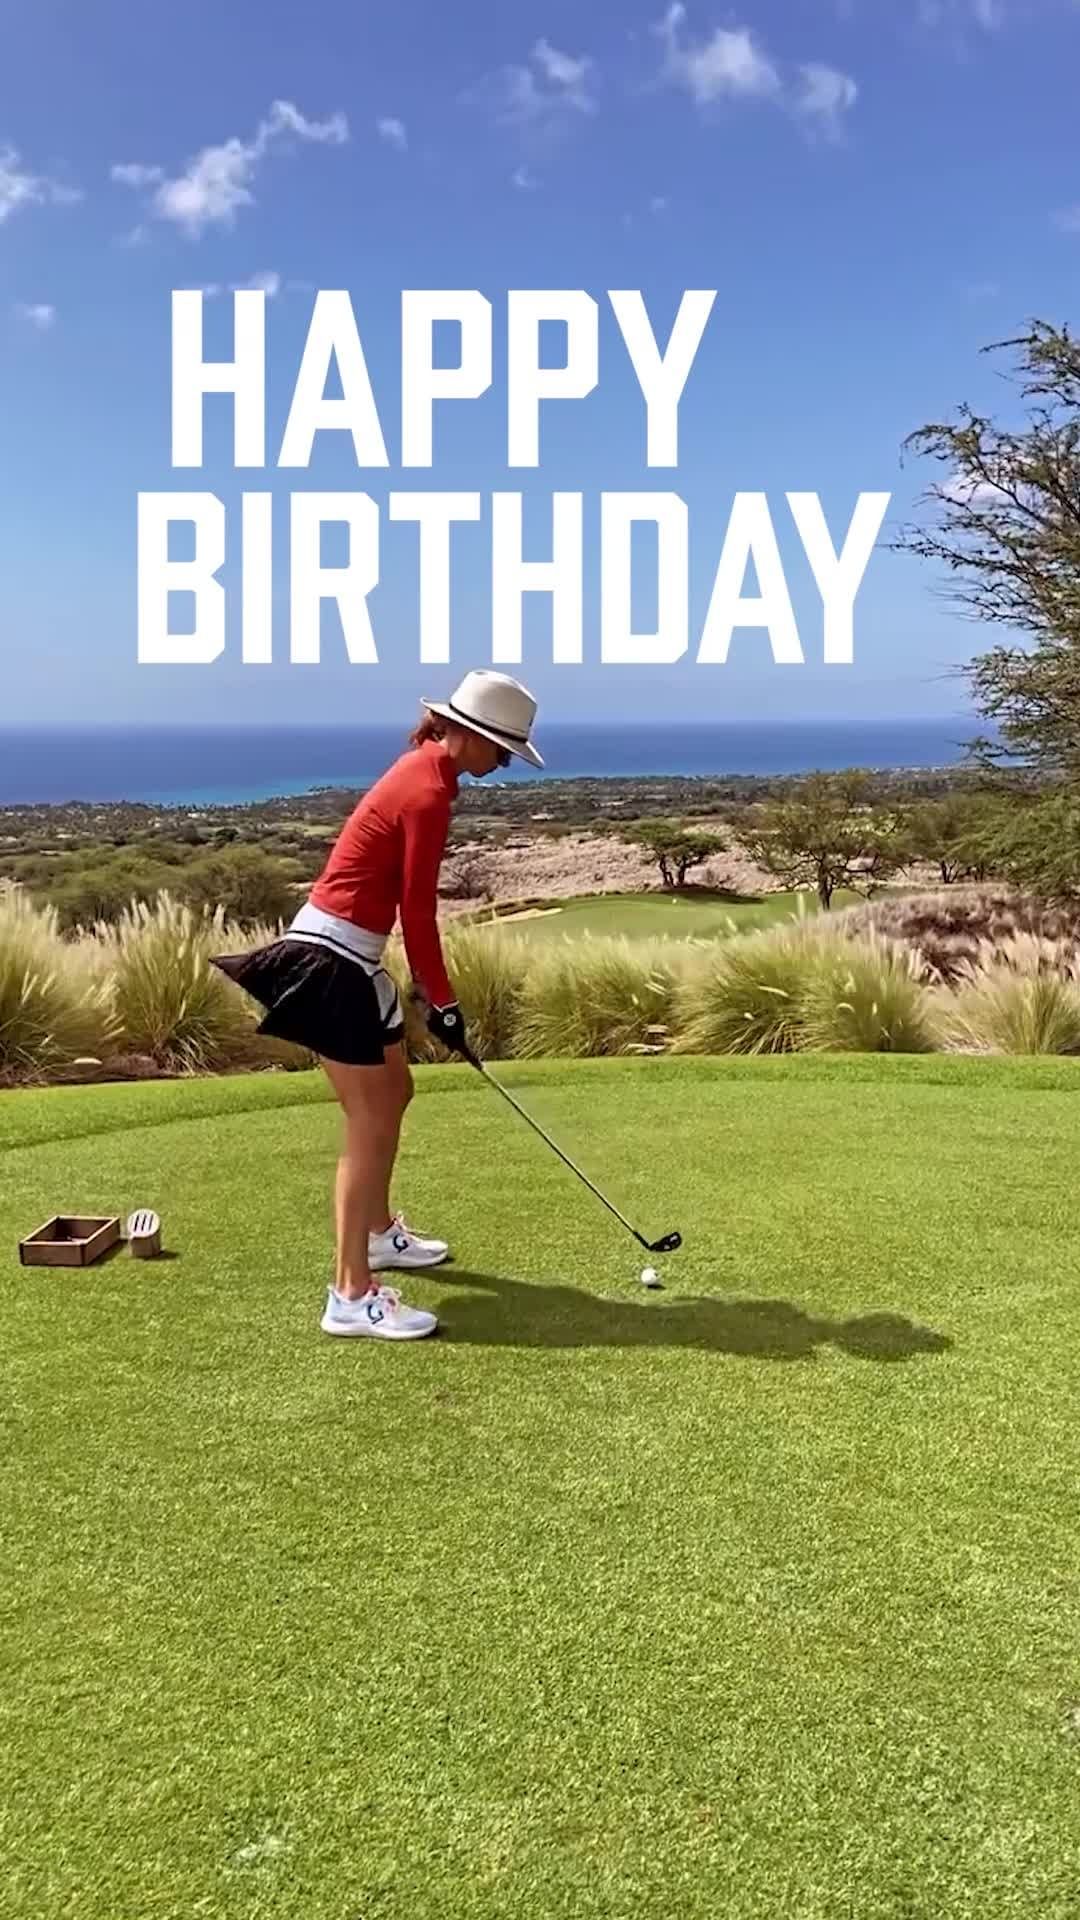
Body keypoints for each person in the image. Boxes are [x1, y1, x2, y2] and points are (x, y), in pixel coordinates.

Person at [212, 670, 543, 1342]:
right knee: (368, 1120)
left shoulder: (428, 771)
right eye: (503, 748)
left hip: (354, 959)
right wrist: (442, 1001)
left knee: (395, 1091)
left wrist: (433, 999)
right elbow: (416, 914)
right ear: (469, 733)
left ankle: (376, 1234)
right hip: (330, 962)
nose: (504, 762)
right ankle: (350, 1294)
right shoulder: (427, 791)